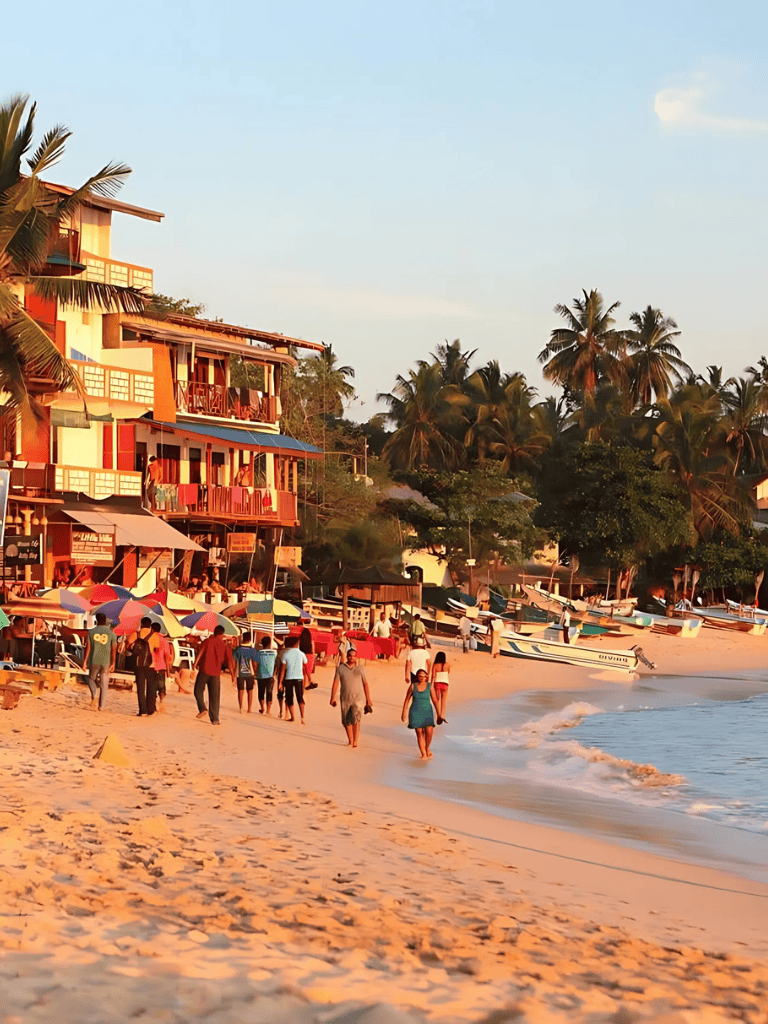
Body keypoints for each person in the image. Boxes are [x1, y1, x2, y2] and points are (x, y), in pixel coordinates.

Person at [194, 624, 236, 726]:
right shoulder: (224, 646)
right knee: (214, 697)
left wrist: (195, 663)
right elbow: (230, 662)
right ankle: (215, 719)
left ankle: (203, 708)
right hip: (216, 674)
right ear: (222, 634)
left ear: (214, 632)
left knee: (197, 691)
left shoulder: (208, 641)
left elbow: (201, 651)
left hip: (204, 670)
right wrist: (233, 675)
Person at [330, 647, 372, 748]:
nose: (351, 658)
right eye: (349, 656)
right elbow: (335, 683)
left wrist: (368, 700)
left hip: (358, 698)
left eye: (353, 656)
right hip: (345, 698)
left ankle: (355, 741)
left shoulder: (360, 669)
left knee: (356, 719)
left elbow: (365, 684)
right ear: (347, 657)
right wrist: (332, 697)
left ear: (357, 658)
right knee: (346, 721)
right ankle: (350, 740)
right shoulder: (340, 668)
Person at [401, 668, 442, 759]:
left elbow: (435, 701)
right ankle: (423, 754)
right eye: (420, 676)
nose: (422, 678)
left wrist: (439, 714)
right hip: (415, 711)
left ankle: (427, 748)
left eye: (424, 676)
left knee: (429, 731)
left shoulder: (429, 686)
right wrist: (404, 712)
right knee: (419, 732)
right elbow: (407, 700)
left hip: (427, 711)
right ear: (417, 677)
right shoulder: (412, 686)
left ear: (426, 677)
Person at [83, 612, 117, 712]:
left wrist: (84, 661)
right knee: (104, 684)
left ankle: (94, 696)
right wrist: (113, 663)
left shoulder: (91, 632)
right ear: (105, 620)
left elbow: (87, 648)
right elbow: (113, 650)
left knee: (91, 679)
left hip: (94, 660)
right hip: (106, 661)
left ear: (96, 620)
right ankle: (101, 706)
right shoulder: (111, 633)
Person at [130, 616, 160, 716]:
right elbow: (157, 647)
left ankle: (142, 710)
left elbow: (128, 646)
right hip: (150, 664)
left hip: (138, 663)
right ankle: (150, 709)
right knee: (151, 688)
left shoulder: (135, 634)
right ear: (150, 625)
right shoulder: (154, 636)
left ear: (141, 624)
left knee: (140, 688)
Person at [277, 635, 307, 724]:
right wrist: (307, 680)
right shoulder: (302, 654)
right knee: (300, 698)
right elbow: (305, 667)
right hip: (299, 678)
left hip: (288, 678)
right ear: (297, 644)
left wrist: (280, 682)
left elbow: (282, 671)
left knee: (290, 698)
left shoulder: (285, 654)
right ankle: (302, 717)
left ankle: (293, 717)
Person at [232, 633, 259, 713]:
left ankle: (241, 707)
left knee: (241, 690)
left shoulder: (238, 649)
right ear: (250, 639)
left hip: (239, 672)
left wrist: (233, 672)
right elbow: (255, 663)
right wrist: (255, 671)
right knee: (250, 690)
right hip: (250, 673)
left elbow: (234, 661)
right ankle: (249, 708)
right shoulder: (252, 650)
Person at [150, 621, 173, 709]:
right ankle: (162, 705)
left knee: (152, 687)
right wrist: (168, 670)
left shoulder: (150, 638)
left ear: (152, 630)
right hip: (161, 666)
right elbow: (167, 656)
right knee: (161, 687)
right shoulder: (164, 640)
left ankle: (153, 706)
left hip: (151, 666)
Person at [254, 636, 278, 715]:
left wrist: (254, 674)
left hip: (260, 675)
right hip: (270, 675)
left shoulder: (258, 653)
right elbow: (277, 664)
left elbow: (255, 665)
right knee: (269, 692)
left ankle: (262, 708)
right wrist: (275, 673)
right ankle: (268, 710)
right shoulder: (274, 653)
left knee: (261, 692)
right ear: (270, 643)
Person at [430, 650, 451, 722]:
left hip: (437, 683)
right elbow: (448, 672)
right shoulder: (447, 664)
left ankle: (438, 714)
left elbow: (433, 675)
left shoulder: (435, 664)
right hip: (445, 683)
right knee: (444, 700)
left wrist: (431, 684)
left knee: (437, 699)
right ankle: (443, 715)